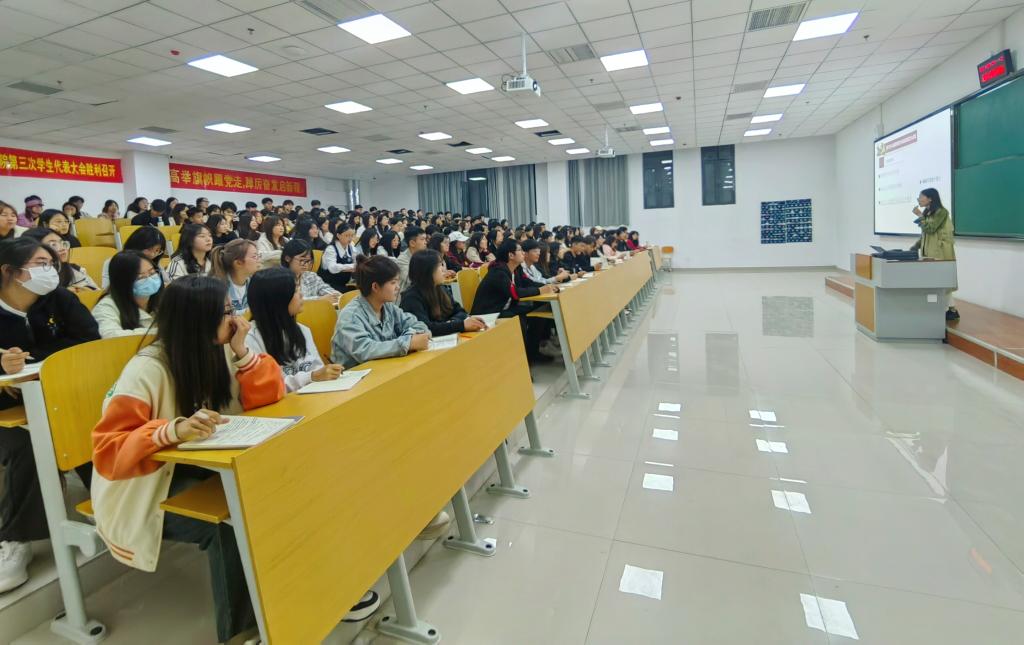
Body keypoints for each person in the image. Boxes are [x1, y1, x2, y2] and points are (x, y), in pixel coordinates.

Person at [90, 276, 284, 643]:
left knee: (277, 487)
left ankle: (287, 596)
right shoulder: (147, 369)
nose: (235, 319)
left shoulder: (221, 349)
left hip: (203, 467)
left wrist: (244, 354)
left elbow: (272, 396)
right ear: (197, 320)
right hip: (145, 487)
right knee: (226, 525)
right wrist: (170, 431)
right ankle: (240, 634)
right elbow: (109, 450)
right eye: (225, 312)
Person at [0, 237, 100, 592]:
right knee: (30, 444)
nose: (51, 270)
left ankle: (106, 507)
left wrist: (35, 361)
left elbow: (90, 340)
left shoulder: (60, 300)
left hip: (56, 395)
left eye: (52, 264)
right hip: (6, 410)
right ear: (10, 272)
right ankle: (15, 540)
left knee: (90, 425)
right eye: (41, 264)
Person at [245, 267, 343, 393]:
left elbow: (317, 370)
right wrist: (311, 377)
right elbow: (268, 387)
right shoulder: (251, 338)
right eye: (296, 290)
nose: (301, 295)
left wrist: (326, 373)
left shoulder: (302, 329)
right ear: (277, 299)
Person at [331, 255, 430, 369]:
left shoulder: (388, 307)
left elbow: (419, 325)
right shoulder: (351, 316)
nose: (398, 287)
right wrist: (407, 343)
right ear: (375, 287)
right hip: (357, 375)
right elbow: (364, 351)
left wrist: (409, 338)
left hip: (385, 369)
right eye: (393, 283)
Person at [471, 239, 558, 362]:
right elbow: (515, 293)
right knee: (520, 317)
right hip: (489, 313)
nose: (523, 253)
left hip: (505, 309)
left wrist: (548, 287)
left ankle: (533, 352)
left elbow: (528, 282)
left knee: (538, 311)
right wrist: (540, 291)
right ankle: (522, 360)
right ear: (511, 255)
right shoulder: (498, 271)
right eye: (520, 250)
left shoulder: (516, 269)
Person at [401, 250, 486, 337]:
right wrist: (460, 325)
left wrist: (452, 322)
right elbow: (426, 328)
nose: (443, 269)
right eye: (439, 265)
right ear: (427, 270)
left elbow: (460, 311)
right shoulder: (411, 297)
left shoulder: (440, 288)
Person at [910, 188, 958, 320]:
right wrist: (915, 247)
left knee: (941, 282)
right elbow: (925, 234)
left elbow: (931, 228)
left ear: (930, 198)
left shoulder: (941, 212)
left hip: (940, 252)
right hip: (929, 251)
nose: (919, 199)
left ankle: (945, 311)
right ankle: (951, 310)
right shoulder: (928, 212)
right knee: (939, 281)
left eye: (921, 196)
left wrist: (920, 215)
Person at [92, 251, 162, 338]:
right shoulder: (106, 306)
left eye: (152, 273)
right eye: (140, 277)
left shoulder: (161, 297)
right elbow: (109, 336)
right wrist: (159, 332)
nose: (149, 280)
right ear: (123, 282)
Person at [20, 228, 97, 290]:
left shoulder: (75, 269)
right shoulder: (26, 274)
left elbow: (96, 291)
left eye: (62, 243)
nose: (63, 248)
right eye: (53, 245)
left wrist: (86, 290)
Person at [102, 226, 167, 289]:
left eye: (157, 251)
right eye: (149, 249)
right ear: (137, 245)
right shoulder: (113, 262)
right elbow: (107, 290)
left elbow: (167, 282)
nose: (152, 254)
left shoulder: (154, 263)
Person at [211, 239, 261, 315]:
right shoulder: (217, 287)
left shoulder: (254, 282)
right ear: (238, 263)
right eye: (255, 256)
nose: (259, 259)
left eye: (258, 255)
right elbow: (223, 316)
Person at [319, 222, 357, 292]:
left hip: (343, 284)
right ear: (338, 236)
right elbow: (332, 268)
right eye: (347, 235)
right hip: (329, 286)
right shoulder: (331, 249)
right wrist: (351, 266)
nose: (350, 238)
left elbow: (356, 262)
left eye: (352, 235)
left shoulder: (351, 247)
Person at [395, 225, 427, 297]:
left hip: (421, 293)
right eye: (422, 239)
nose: (425, 242)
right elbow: (413, 279)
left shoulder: (423, 255)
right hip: (405, 298)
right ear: (412, 243)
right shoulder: (402, 260)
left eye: (425, 239)